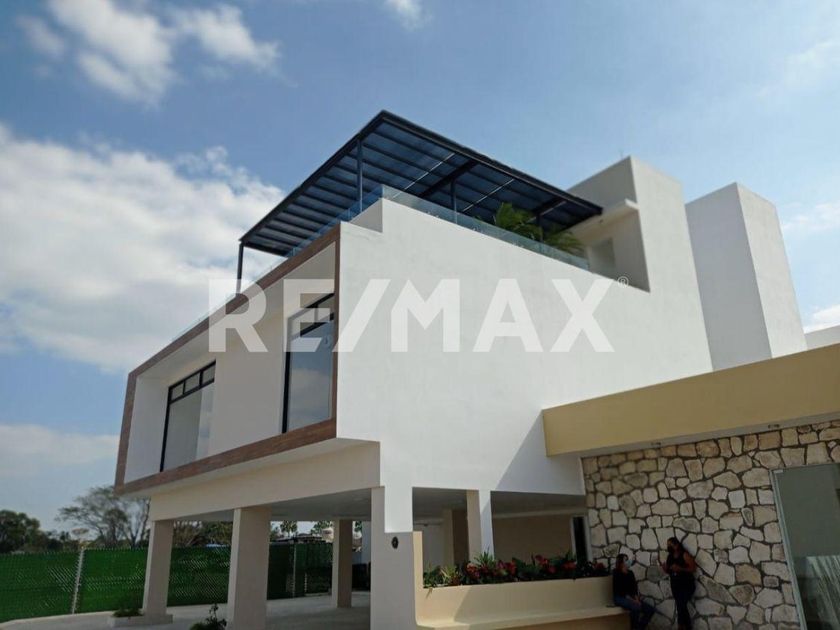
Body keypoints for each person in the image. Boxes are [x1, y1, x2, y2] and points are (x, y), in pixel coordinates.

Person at [613, 553, 656, 629]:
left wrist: (637, 599)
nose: (628, 561)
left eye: (628, 559)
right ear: (621, 563)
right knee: (636, 607)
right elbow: (621, 592)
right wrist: (634, 601)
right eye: (626, 560)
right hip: (620, 597)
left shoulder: (630, 573)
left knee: (650, 610)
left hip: (631, 597)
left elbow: (634, 589)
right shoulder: (616, 573)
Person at [661, 537, 697, 630]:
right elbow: (670, 571)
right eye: (668, 545)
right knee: (681, 607)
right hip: (676, 586)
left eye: (670, 545)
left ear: (676, 545)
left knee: (680, 606)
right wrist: (665, 569)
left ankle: (680, 626)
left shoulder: (684, 555)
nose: (668, 547)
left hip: (687, 586)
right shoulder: (670, 557)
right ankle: (687, 627)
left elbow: (693, 568)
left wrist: (680, 568)